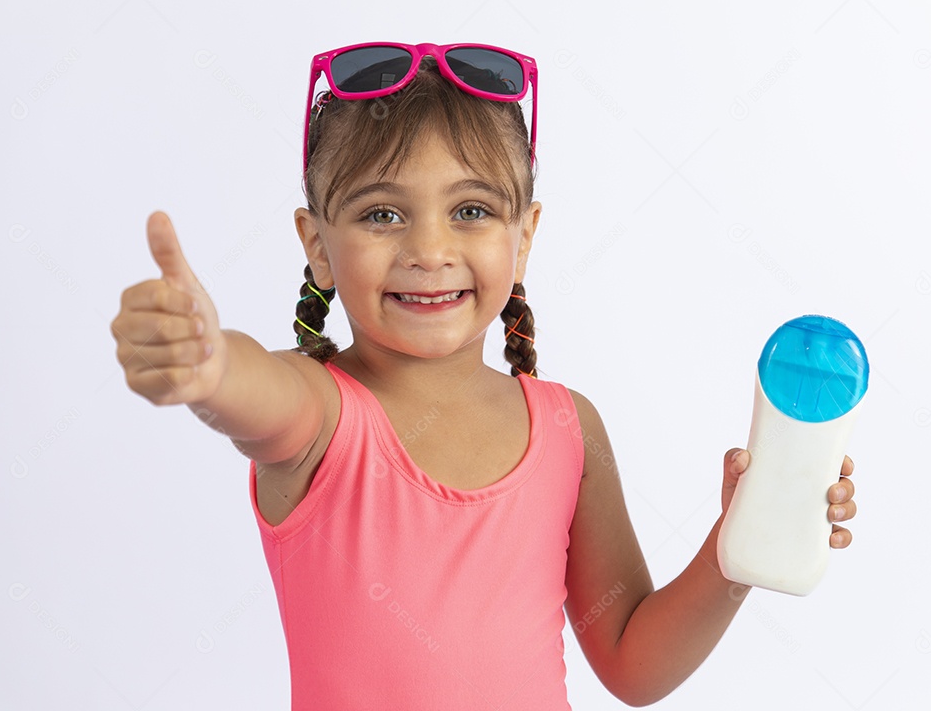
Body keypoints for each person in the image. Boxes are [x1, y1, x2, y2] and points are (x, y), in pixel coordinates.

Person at [110, 42, 857, 709]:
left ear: (524, 236)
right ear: (317, 245)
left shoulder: (567, 426)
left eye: (470, 209)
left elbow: (633, 661)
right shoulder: (321, 416)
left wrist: (737, 547)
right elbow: (256, 392)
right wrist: (208, 366)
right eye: (381, 215)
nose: (429, 249)